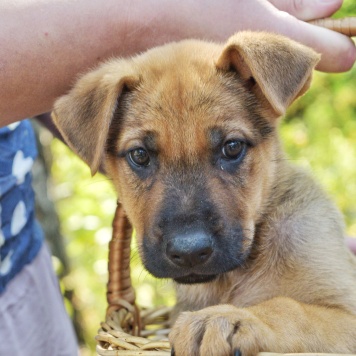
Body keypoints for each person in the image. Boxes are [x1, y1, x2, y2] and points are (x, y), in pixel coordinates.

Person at [0, 0, 355, 355]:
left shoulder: (301, 229)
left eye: (231, 150)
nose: (188, 241)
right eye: (141, 156)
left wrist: (271, 322)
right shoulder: (106, 102)